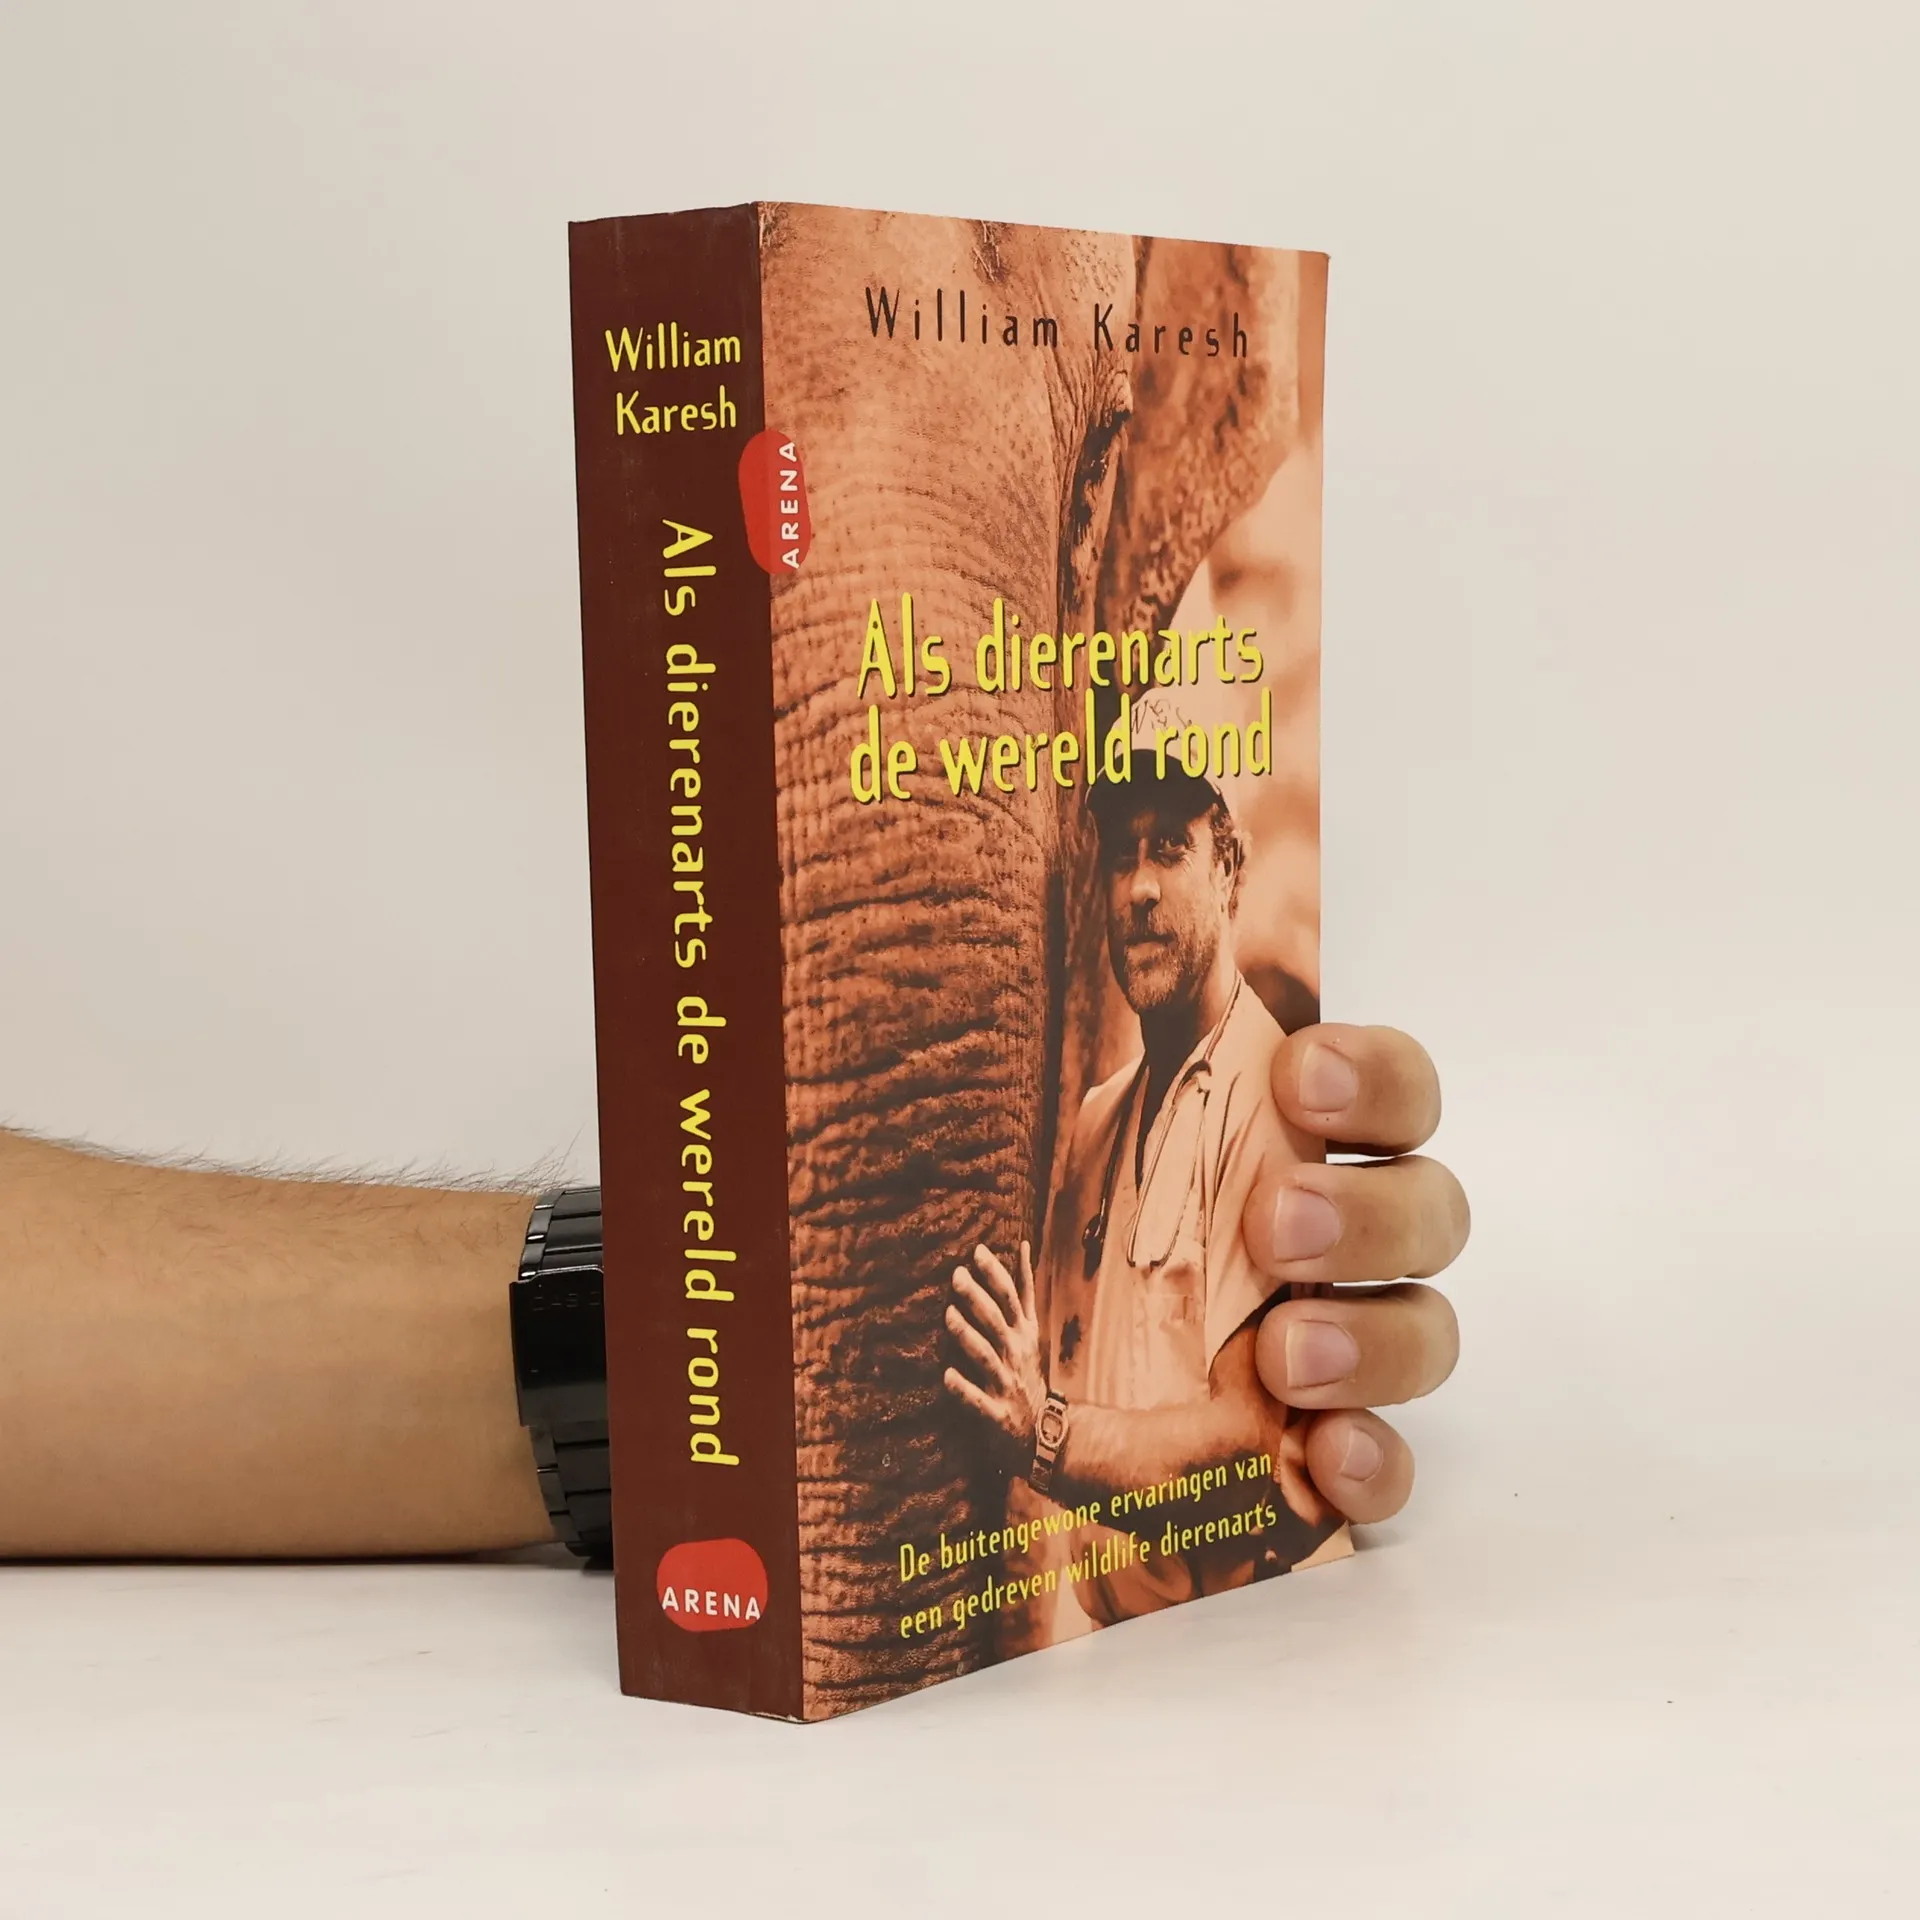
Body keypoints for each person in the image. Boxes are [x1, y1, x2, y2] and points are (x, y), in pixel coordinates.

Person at [943, 716, 1468, 1639]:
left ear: (1229, 871)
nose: (1140, 888)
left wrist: (1042, 1432)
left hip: (1246, 1639)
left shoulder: (1268, 1091)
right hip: (1112, 1653)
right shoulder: (1098, 1120)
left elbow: (1242, 1449)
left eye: (1171, 849)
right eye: (1121, 856)